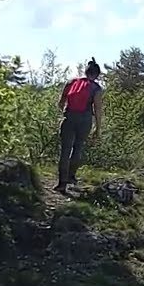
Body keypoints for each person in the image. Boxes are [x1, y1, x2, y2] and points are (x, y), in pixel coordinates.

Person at [55, 58, 104, 193]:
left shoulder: (71, 82)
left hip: (69, 117)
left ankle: (62, 183)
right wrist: (98, 128)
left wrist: (64, 114)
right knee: (78, 148)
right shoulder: (96, 89)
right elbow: (98, 109)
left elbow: (60, 102)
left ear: (85, 71)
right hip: (85, 120)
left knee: (65, 151)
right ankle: (71, 176)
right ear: (97, 75)